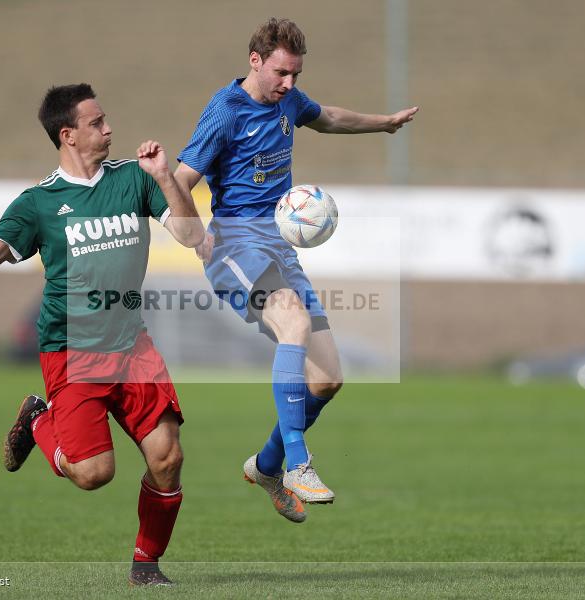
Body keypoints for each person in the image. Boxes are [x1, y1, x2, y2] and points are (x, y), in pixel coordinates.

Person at [0, 83, 204, 586]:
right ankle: (40, 419)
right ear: (68, 135)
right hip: (71, 349)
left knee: (168, 457)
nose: (109, 129)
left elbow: (192, 238)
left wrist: (166, 178)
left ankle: (145, 566)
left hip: (130, 344)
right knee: (93, 474)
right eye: (96, 123)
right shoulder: (39, 203)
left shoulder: (134, 180)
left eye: (105, 120)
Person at [174, 17, 418, 523]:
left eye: (296, 74)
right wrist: (197, 236)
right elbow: (178, 179)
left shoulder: (288, 100)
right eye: (281, 73)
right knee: (294, 323)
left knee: (328, 379)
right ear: (255, 60)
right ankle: (298, 464)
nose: (289, 84)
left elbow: (325, 116)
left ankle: (266, 466)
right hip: (237, 245)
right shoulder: (224, 112)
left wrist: (384, 123)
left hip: (280, 246)